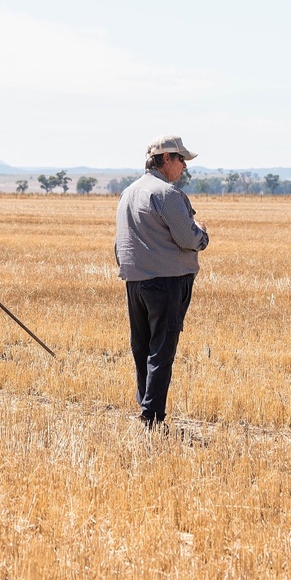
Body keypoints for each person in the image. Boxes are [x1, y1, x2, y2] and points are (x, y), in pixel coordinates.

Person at [114, 135, 210, 428]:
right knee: (161, 350)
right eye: (181, 159)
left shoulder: (128, 193)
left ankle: (145, 407)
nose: (184, 167)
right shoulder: (167, 194)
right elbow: (188, 238)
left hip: (134, 281)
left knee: (141, 348)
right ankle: (152, 416)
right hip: (167, 282)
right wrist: (203, 234)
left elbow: (120, 243)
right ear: (166, 159)